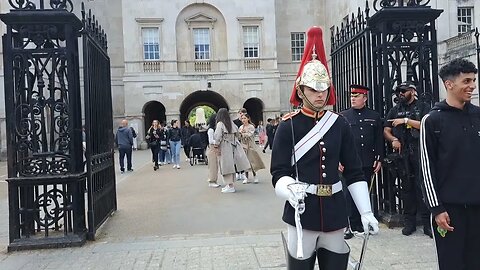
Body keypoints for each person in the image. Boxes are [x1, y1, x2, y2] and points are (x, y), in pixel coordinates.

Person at [271, 26, 378, 269]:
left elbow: (354, 171)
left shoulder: (339, 124)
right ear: (301, 90)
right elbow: (278, 172)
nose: (320, 95)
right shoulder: (288, 126)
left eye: (324, 89)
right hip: (302, 210)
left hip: (335, 209)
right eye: (313, 89)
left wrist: (366, 211)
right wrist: (290, 190)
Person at [420, 58, 480, 270]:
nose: (472, 86)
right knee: (452, 264)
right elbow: (427, 169)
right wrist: (436, 209)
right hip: (449, 211)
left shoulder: (478, 115)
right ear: (449, 84)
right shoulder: (433, 120)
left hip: (477, 207)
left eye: (473, 80)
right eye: (466, 81)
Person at [384, 80, 432, 237]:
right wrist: (393, 140)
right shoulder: (395, 109)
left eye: (404, 91)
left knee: (422, 188)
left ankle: (427, 224)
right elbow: (386, 129)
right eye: (399, 91)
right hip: (403, 154)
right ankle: (409, 223)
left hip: (419, 152)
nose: (401, 94)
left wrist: (406, 121)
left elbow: (428, 125)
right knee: (406, 188)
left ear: (412, 91)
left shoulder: (423, 107)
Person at [340, 85, 383, 236]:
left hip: (367, 160)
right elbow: (340, 140)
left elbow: (378, 140)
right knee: (348, 194)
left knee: (365, 192)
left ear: (365, 98)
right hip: (349, 162)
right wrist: (339, 159)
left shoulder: (374, 116)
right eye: (352, 96)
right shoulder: (343, 116)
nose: (353, 98)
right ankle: (350, 224)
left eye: (356, 96)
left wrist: (379, 158)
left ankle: (363, 223)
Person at [213, 108, 250, 193]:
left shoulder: (220, 124)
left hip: (224, 146)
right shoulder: (231, 123)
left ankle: (230, 185)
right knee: (231, 166)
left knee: (225, 165)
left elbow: (218, 136)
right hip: (234, 145)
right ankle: (230, 184)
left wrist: (216, 146)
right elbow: (237, 134)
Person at [239, 113, 265, 184]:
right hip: (243, 146)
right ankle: (246, 177)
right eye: (242, 118)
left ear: (248, 119)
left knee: (252, 162)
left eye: (245, 118)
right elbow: (238, 136)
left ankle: (255, 176)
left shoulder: (251, 127)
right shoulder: (241, 127)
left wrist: (243, 134)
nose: (243, 120)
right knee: (245, 162)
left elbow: (250, 134)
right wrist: (240, 134)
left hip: (250, 146)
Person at [206, 113, 221, 188]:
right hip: (212, 148)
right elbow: (210, 140)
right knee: (212, 165)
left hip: (214, 148)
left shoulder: (215, 129)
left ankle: (214, 180)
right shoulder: (211, 130)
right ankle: (211, 180)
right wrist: (218, 142)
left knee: (215, 165)